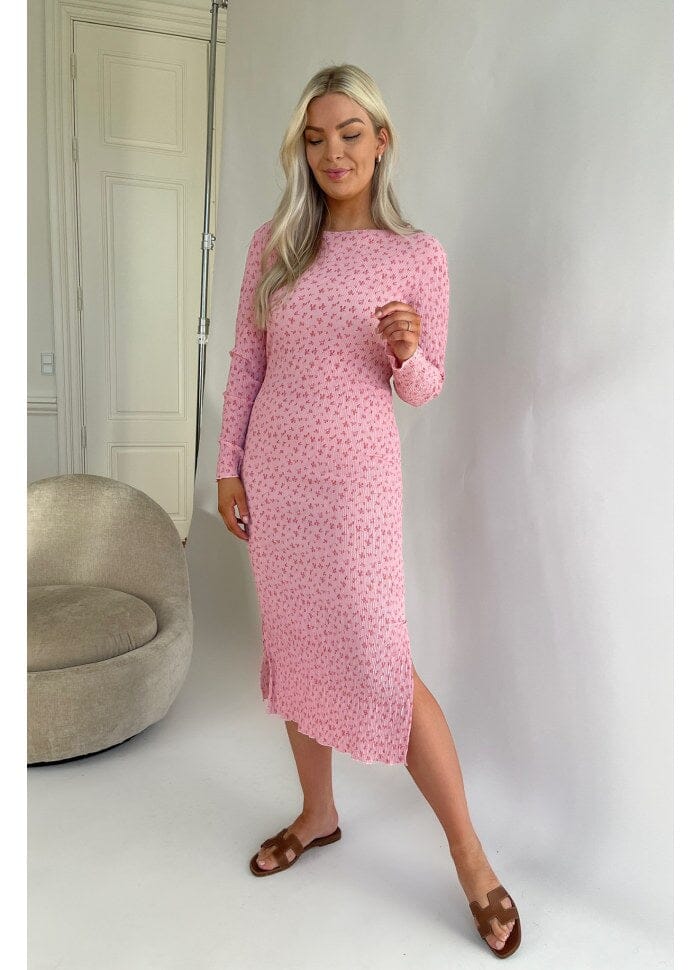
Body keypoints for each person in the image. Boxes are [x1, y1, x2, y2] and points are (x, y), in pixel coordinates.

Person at [216, 63, 521, 959]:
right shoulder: (275, 244)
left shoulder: (417, 256)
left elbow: (423, 390)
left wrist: (409, 351)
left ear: (381, 141)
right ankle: (318, 814)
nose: (333, 152)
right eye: (316, 138)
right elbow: (246, 361)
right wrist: (227, 468)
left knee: (383, 660)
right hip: (275, 480)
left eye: (350, 134)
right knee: (297, 642)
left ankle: (471, 859)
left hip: (354, 490)